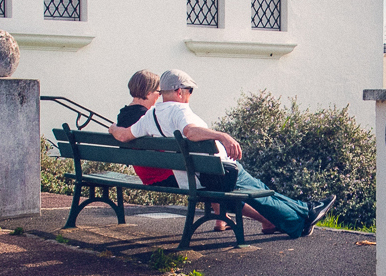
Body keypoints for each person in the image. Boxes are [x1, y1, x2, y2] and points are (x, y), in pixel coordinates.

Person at [108, 69, 335, 238]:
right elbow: (190, 131)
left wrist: (112, 128)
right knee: (258, 189)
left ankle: (302, 215)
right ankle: (302, 215)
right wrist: (222, 136)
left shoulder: (152, 115)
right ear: (178, 92)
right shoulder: (179, 110)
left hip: (193, 176)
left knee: (258, 189)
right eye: (189, 91)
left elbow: (125, 136)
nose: (190, 95)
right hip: (213, 174)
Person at [116, 70, 277, 234]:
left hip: (147, 173)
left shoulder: (123, 115)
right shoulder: (147, 116)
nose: (160, 97)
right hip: (164, 175)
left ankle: (222, 218)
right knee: (210, 174)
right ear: (149, 92)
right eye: (158, 92)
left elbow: (124, 137)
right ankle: (265, 220)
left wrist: (112, 129)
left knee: (206, 170)